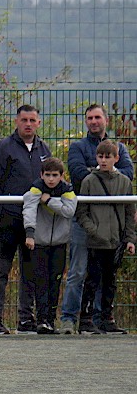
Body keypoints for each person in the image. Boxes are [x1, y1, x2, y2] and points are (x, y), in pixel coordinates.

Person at [59, 104, 134, 334]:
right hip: (86, 221)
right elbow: (79, 174)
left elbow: (128, 173)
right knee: (79, 271)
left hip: (113, 223)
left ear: (106, 120)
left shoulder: (119, 146)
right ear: (86, 121)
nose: (93, 121)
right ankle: (70, 318)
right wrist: (106, 171)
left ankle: (102, 319)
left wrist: (102, 171)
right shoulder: (77, 147)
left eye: (97, 117)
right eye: (89, 118)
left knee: (107, 274)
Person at [0, 105, 51, 335]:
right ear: (16, 121)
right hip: (7, 219)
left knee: (30, 271)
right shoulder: (4, 147)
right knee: (0, 271)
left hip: (33, 221)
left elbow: (50, 182)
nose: (28, 124)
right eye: (24, 119)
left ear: (39, 123)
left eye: (33, 120)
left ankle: (26, 320)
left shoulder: (45, 149)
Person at [75, 140, 135, 334]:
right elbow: (82, 211)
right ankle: (85, 319)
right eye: (100, 156)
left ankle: (106, 318)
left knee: (110, 280)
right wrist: (93, 230)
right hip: (96, 240)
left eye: (108, 157)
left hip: (115, 239)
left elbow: (129, 213)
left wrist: (129, 239)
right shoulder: (89, 181)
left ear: (116, 158)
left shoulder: (124, 182)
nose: (103, 160)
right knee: (92, 279)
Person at [22, 158, 77, 334]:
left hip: (60, 242)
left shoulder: (67, 190)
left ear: (62, 176)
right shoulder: (35, 190)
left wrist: (49, 201)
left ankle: (51, 319)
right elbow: (29, 209)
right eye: (47, 175)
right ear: (41, 175)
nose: (51, 179)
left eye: (55, 175)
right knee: (40, 281)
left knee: (55, 281)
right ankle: (42, 319)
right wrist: (30, 234)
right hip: (40, 242)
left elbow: (69, 211)